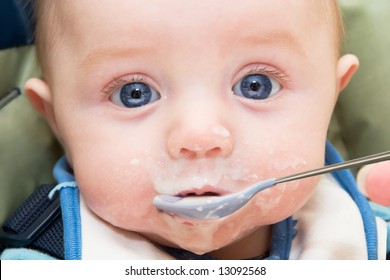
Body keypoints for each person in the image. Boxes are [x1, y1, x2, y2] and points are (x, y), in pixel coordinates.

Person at [0, 0, 387, 259]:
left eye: (256, 85)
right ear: (56, 119)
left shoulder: (364, 238)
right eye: (134, 94)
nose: (199, 137)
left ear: (331, 97)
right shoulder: (41, 260)